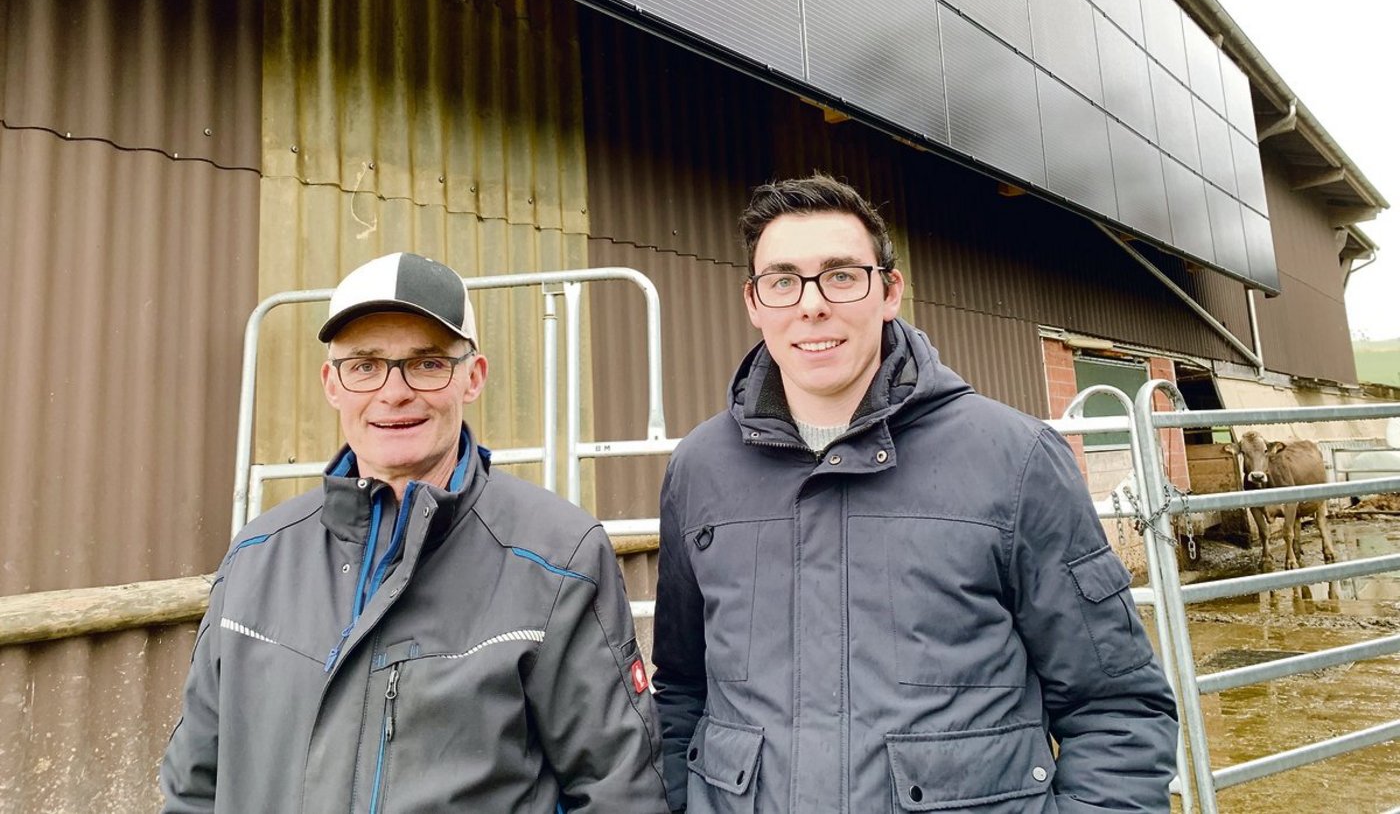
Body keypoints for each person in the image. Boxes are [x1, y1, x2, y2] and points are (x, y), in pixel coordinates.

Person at [651, 174, 1178, 813]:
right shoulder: (700, 470)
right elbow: (682, 690)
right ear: (754, 302)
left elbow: (1115, 705)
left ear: (890, 291)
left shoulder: (1013, 460)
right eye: (782, 280)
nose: (811, 305)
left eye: (841, 275)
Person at [161, 251, 668, 813]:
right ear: (332, 383)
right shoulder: (258, 557)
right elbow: (193, 786)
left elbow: (620, 791)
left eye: (427, 364)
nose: (394, 392)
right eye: (364, 364)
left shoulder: (555, 559)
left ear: (473, 377)